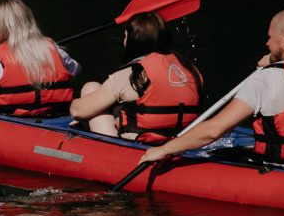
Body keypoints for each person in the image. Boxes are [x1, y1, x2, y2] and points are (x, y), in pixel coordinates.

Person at [136, 7, 284, 167]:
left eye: (270, 37)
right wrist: (277, 61)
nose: (267, 43)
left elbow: (214, 130)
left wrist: (163, 150)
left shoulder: (267, 78)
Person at [67, 11, 203, 141]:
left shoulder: (133, 75)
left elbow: (77, 111)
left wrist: (83, 116)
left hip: (134, 146)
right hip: (179, 142)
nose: (124, 42)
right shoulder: (190, 70)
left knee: (90, 88)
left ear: (134, 41)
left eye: (125, 37)